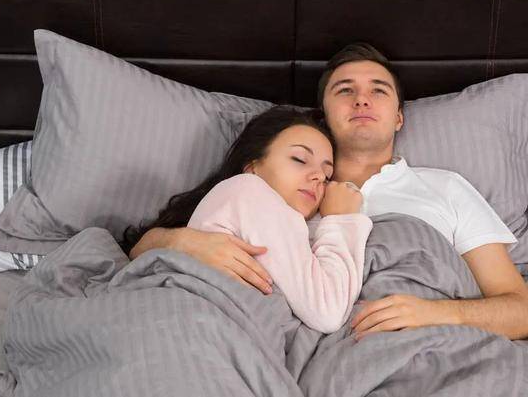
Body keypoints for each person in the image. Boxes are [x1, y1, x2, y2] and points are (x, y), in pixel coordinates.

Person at [128, 43, 528, 341]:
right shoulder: (290, 190)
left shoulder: (445, 187)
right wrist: (183, 242)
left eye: (379, 90)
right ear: (323, 115)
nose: (362, 99)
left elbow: (521, 310)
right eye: (344, 90)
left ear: (399, 117)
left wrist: (437, 314)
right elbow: (146, 248)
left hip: (440, 340)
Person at [122, 106, 372, 332]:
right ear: (252, 167)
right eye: (299, 159)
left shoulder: (257, 212)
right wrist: (341, 219)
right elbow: (327, 311)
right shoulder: (251, 190)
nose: (318, 176)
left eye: (327, 175)